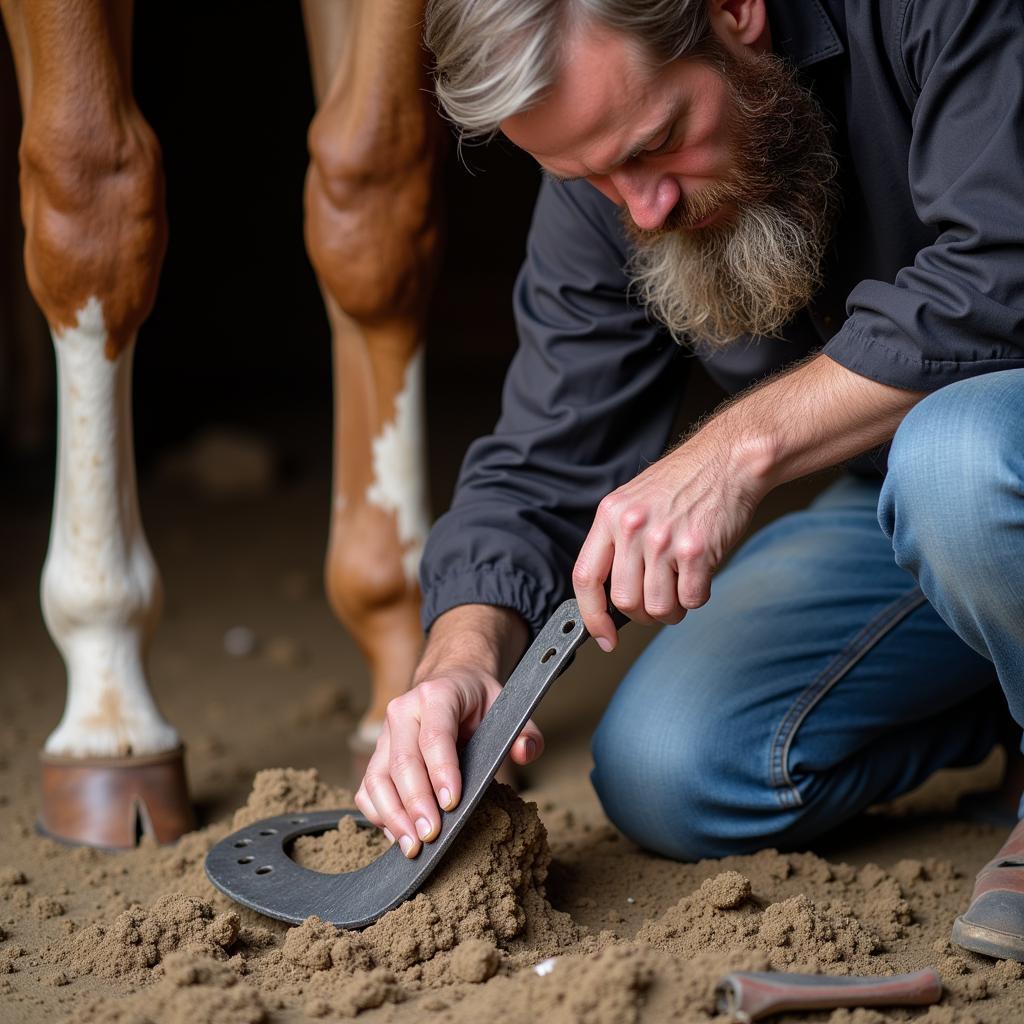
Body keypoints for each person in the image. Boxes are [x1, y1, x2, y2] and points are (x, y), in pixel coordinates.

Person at [354, 0, 1024, 961]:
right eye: (590, 176)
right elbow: (543, 459)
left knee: (954, 459)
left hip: (980, 469)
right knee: (667, 764)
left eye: (659, 142)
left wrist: (734, 450)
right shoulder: (615, 165)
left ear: (735, 12)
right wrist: (460, 659)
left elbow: (1004, 263)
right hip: (939, 526)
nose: (641, 209)